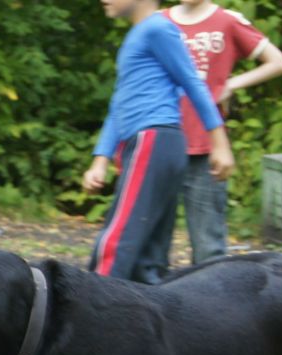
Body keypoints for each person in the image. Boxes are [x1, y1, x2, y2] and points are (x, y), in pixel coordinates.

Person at [82, 0, 234, 284]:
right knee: (147, 258)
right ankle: (149, 307)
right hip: (153, 143)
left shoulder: (158, 29)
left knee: (117, 242)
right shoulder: (139, 34)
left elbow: (192, 82)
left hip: (153, 139)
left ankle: (90, 303)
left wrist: (219, 142)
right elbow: (119, 104)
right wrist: (100, 159)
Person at [165, 0, 282, 263]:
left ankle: (210, 289)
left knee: (208, 245)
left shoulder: (227, 21)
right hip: (160, 143)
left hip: (206, 146)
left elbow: (278, 62)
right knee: (148, 238)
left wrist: (231, 85)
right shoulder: (159, 21)